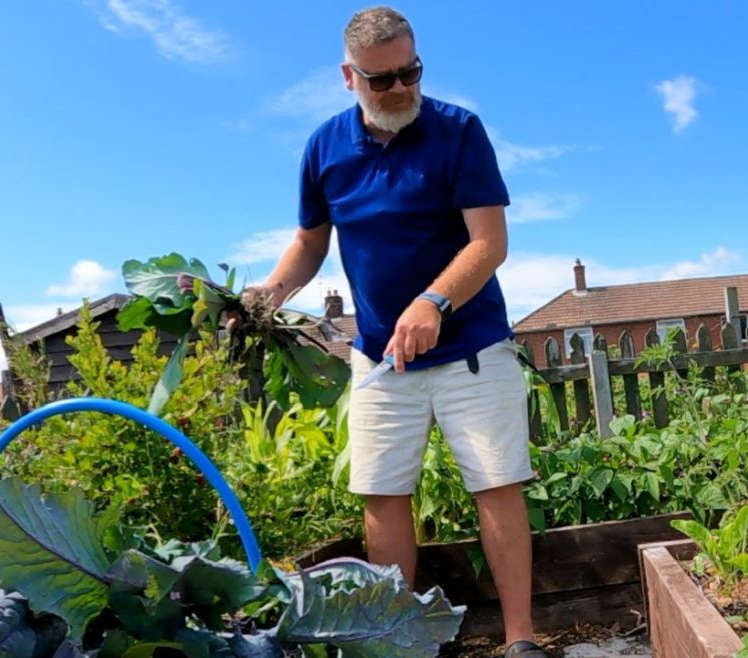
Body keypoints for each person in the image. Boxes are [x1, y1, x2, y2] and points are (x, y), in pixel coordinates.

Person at [247, 7, 546, 657]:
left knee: (496, 483)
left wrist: (434, 299)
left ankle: (520, 640)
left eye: (410, 72)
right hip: (380, 357)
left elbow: (489, 243)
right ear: (348, 77)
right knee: (383, 494)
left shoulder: (458, 131)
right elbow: (308, 242)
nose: (401, 89)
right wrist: (269, 292)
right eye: (382, 80)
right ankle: (401, 643)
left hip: (471, 348)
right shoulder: (324, 148)